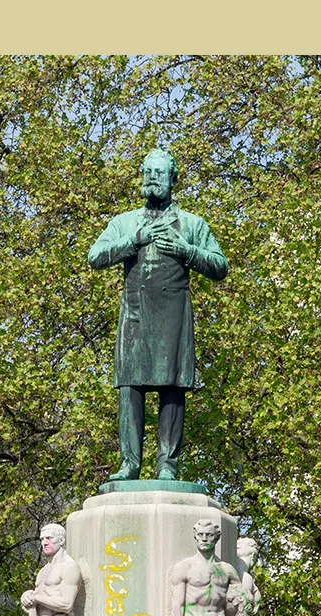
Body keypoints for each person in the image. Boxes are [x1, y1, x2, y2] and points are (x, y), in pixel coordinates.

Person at [86, 148, 229, 482]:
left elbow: (220, 266)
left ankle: (168, 464)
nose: (152, 178)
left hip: (174, 314)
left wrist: (187, 251)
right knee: (130, 387)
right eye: (147, 172)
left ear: (173, 180)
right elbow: (95, 257)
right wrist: (134, 241)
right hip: (135, 314)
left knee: (173, 386)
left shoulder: (193, 224)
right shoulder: (124, 222)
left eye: (159, 173)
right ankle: (129, 463)